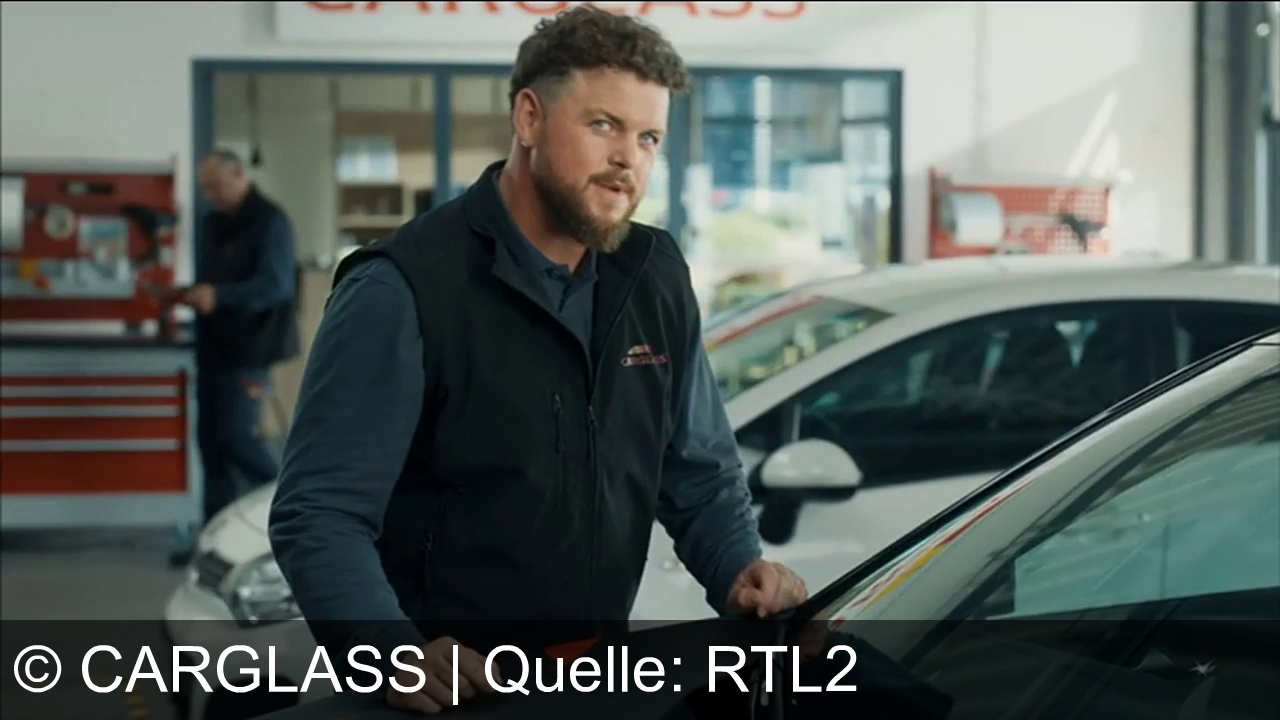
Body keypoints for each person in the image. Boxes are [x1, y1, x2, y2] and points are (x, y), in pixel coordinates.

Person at [268, 6, 807, 715]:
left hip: (596, 678)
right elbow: (319, 512)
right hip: (453, 693)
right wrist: (388, 651)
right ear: (529, 118)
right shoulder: (402, 289)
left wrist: (737, 566)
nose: (629, 159)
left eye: (648, 137)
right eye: (604, 125)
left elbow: (698, 468)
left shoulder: (654, 276)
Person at [171, 149, 299, 567]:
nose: (211, 196)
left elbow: (276, 285)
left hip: (250, 351)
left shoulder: (270, 221)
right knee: (212, 447)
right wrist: (194, 294)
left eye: (217, 187)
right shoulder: (213, 223)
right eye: (205, 189)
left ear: (240, 175)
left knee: (238, 440)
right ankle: (215, 547)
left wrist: (220, 296)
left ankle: (299, 516)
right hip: (213, 349)